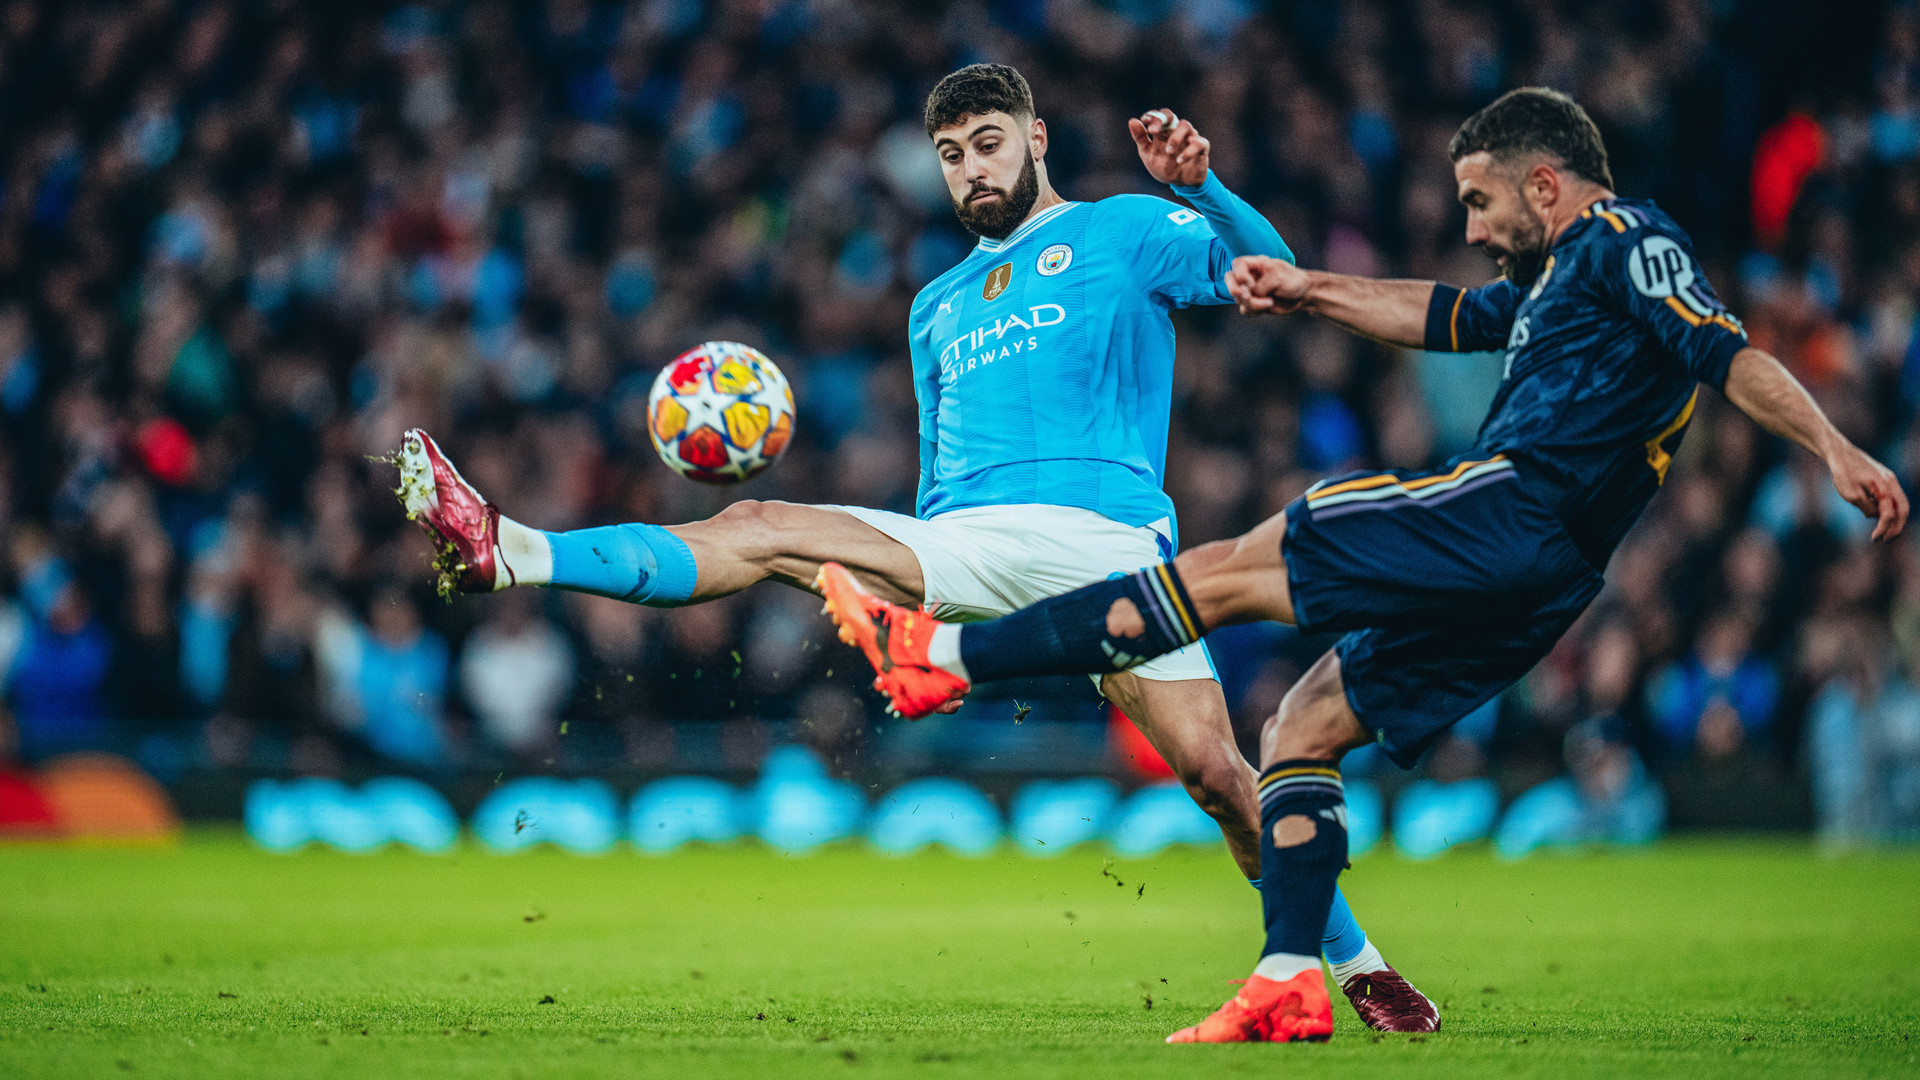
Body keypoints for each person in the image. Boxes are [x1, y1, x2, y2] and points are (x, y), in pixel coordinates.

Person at [815, 87, 1910, 1043]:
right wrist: (1309, 288)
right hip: (1553, 572)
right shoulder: (1555, 281)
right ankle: (1294, 975)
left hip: (1510, 505)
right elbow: (1450, 317)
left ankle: (950, 652)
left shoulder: (1627, 238)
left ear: (1544, 184)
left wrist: (1835, 447)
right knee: (1305, 726)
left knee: (1232, 566)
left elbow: (1728, 353)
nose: (1474, 226)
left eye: (1481, 202)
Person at [390, 63, 1436, 1030]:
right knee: (758, 527)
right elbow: (938, 481)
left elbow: (1277, 273)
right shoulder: (935, 307)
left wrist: (1202, 188)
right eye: (950, 155)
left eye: (987, 143)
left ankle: (1352, 964)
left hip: (1112, 548)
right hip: (967, 544)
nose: (971, 169)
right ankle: (514, 550)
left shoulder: (1126, 230)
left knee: (1217, 777)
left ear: (1033, 138)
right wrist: (926, 599)